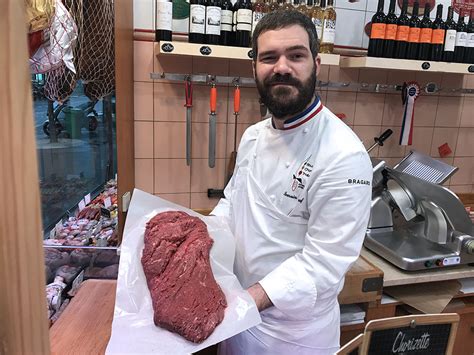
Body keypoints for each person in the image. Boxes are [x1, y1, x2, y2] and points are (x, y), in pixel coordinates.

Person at [211, 10, 373, 355]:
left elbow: (324, 263)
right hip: (239, 321)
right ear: (254, 66)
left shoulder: (343, 154)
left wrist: (243, 302)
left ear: (316, 62)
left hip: (293, 338)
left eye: (295, 55)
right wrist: (199, 238)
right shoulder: (253, 136)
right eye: (269, 57)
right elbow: (233, 204)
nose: (281, 67)